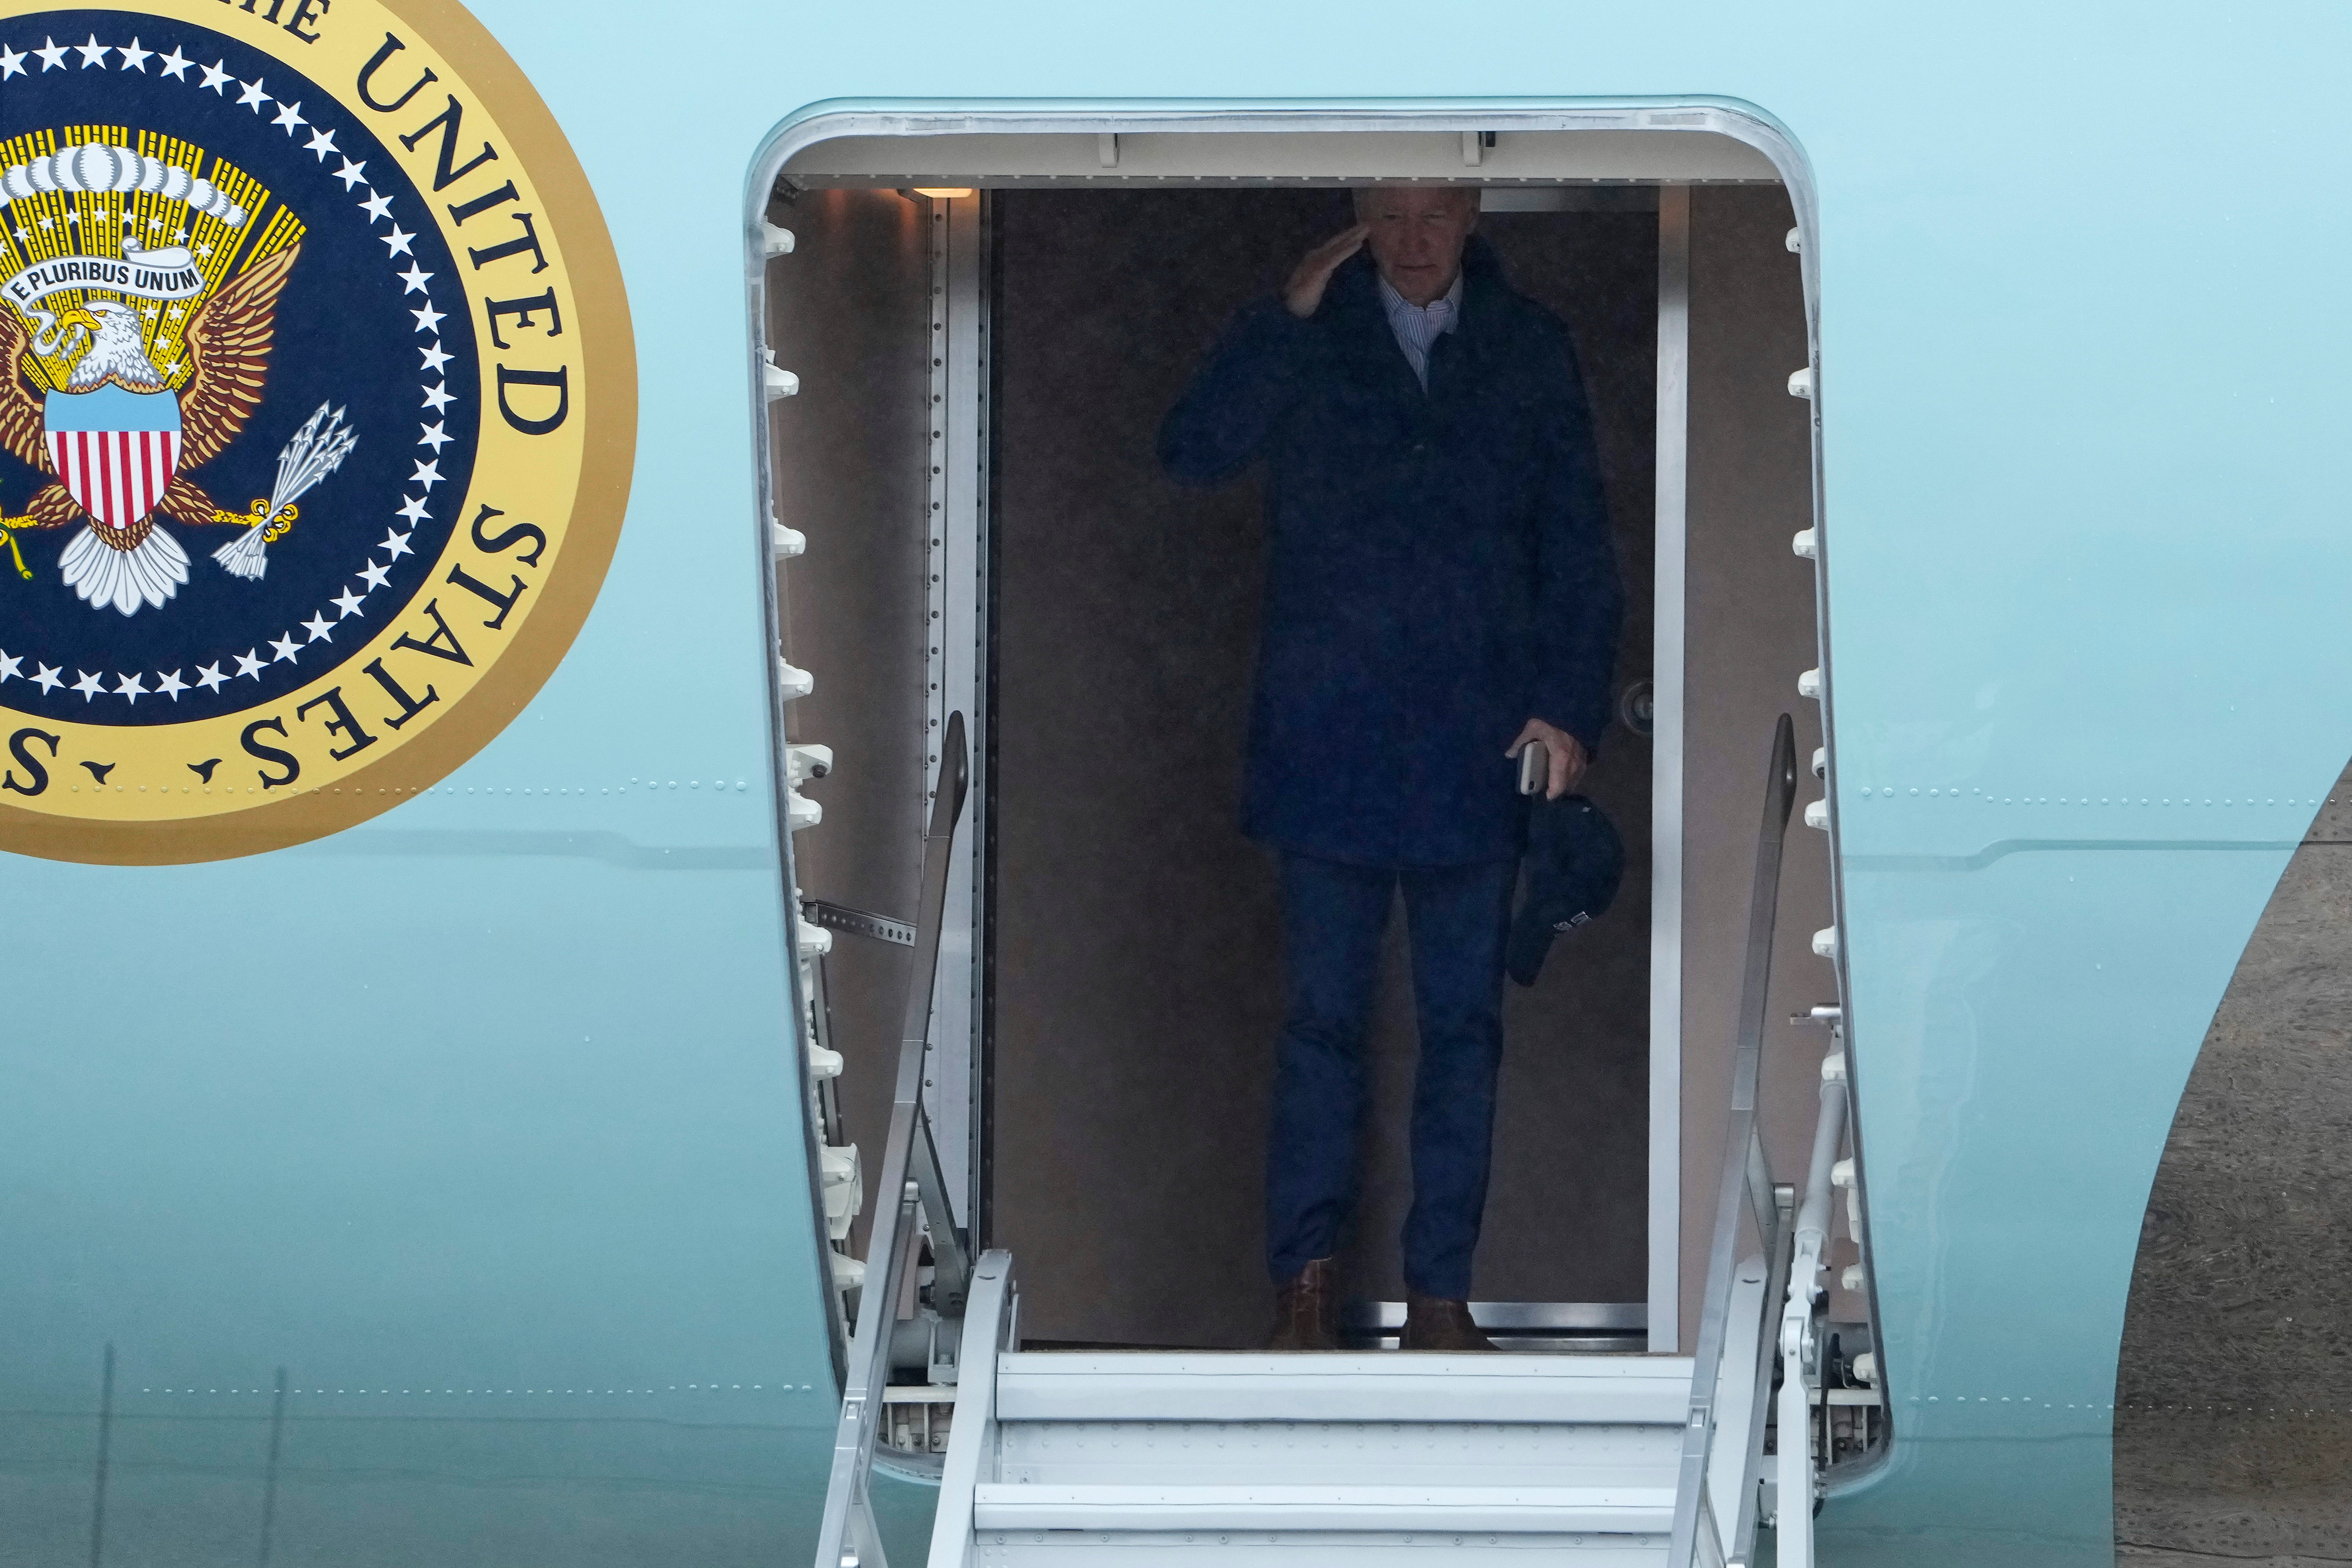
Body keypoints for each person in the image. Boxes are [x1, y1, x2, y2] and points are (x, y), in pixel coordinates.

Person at [1158, 185, 1622, 1352]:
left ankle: (1440, 1296)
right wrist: (1283, 316)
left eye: (1435, 214)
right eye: (1392, 215)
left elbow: (1578, 544)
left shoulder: (1527, 343)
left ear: (1470, 215)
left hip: (1479, 745)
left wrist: (1567, 715)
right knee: (1321, 1027)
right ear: (1362, 217)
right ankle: (1303, 1290)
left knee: (1463, 1031)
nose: (1414, 240)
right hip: (1329, 741)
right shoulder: (1312, 333)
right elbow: (1192, 452)